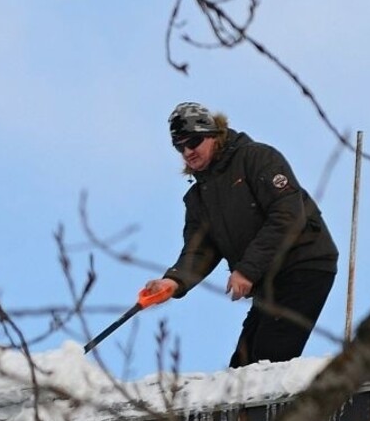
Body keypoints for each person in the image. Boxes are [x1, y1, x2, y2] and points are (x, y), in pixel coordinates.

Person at [144, 102, 338, 368]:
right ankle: (252, 409)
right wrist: (173, 282)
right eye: (180, 146)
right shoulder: (199, 198)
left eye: (194, 141)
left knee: (267, 363)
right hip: (267, 280)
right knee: (243, 369)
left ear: (213, 134)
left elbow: (288, 214)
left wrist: (247, 269)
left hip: (303, 265)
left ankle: (284, 408)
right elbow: (200, 250)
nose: (188, 151)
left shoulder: (256, 158)